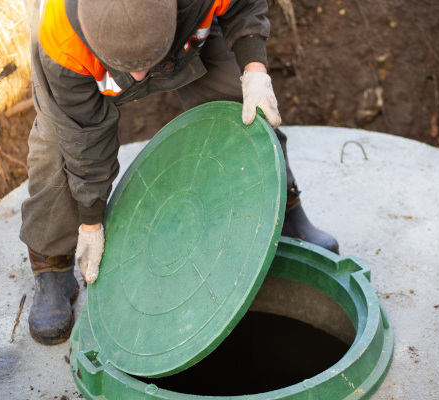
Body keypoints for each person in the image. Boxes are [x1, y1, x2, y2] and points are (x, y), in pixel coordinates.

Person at [20, 0, 339, 345]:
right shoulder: (60, 38)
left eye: (145, 64)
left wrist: (254, 70)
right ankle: (51, 264)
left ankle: (281, 207)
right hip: (80, 65)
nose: (139, 79)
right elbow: (85, 141)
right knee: (57, 148)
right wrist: (91, 221)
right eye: (131, 69)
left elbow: (244, 6)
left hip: (185, 37)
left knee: (240, 103)